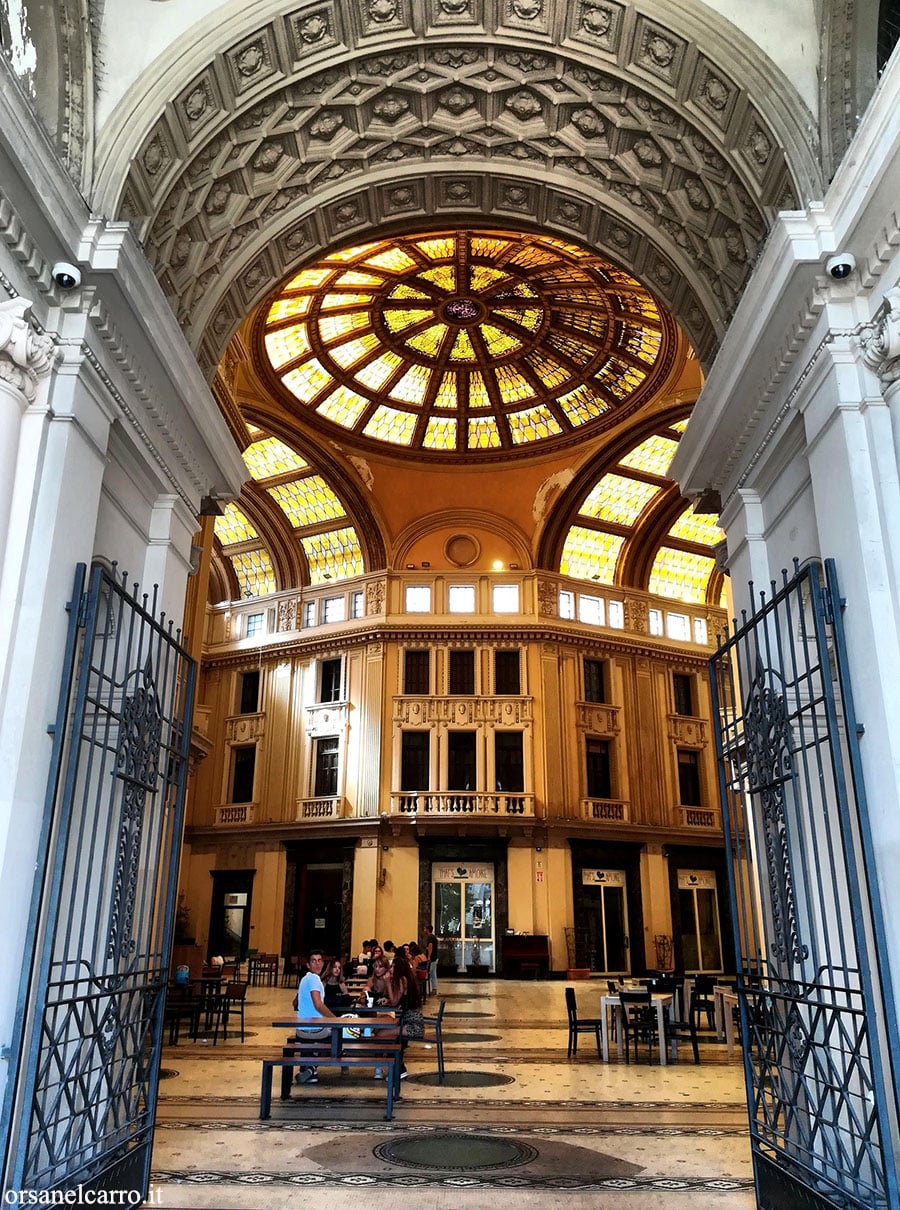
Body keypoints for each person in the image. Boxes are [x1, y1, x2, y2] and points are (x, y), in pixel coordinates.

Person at [292, 949, 338, 1084]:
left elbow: (294, 1003)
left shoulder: (304, 979)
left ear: (323, 963)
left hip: (300, 1030)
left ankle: (310, 1070)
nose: (317, 964)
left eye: (319, 961)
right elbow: (318, 1004)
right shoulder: (314, 979)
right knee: (339, 1037)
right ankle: (312, 1067)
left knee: (328, 1034)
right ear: (308, 965)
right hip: (315, 1030)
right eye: (313, 961)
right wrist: (335, 1019)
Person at [384, 949, 424, 1077]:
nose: (390, 969)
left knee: (382, 1034)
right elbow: (397, 999)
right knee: (388, 1035)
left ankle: (398, 1069)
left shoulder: (402, 980)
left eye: (392, 966)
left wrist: (387, 983)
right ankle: (398, 1068)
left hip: (413, 1026)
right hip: (411, 1022)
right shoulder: (407, 979)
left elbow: (395, 1002)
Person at [423, 924, 439, 995]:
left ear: (427, 929)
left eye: (424, 929)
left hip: (432, 958)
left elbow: (430, 946)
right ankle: (434, 988)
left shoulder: (430, 938)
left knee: (429, 973)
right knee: (433, 974)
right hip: (435, 957)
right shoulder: (434, 937)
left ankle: (427, 990)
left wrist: (428, 957)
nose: (424, 930)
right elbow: (438, 943)